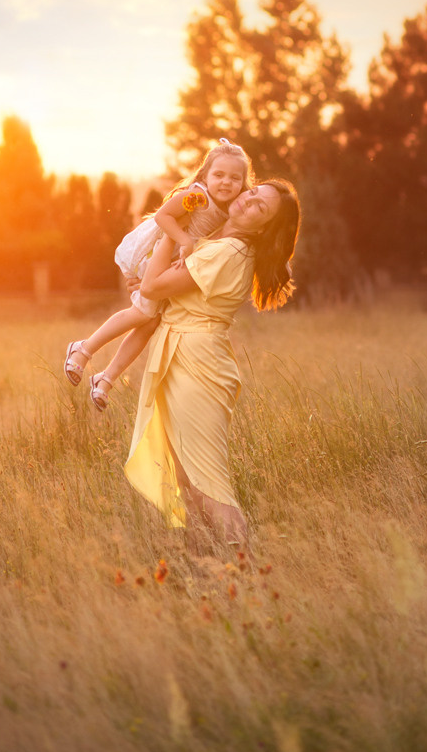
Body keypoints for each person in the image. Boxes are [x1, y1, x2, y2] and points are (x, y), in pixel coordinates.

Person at [123, 179, 300, 553]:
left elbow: (153, 288)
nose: (247, 201)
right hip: (183, 353)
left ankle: (246, 571)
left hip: (197, 364)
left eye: (260, 208)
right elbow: (161, 286)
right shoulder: (218, 243)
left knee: (208, 483)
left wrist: (173, 228)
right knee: (187, 480)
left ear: (264, 227)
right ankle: (208, 570)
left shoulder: (229, 252)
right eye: (253, 192)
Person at [63, 139, 252, 410]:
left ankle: (105, 379)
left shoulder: (231, 211)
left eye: (235, 178)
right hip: (161, 257)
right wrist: (184, 240)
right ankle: (83, 349)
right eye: (219, 175)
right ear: (205, 174)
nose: (225, 182)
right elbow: (163, 216)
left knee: (149, 323)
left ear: (244, 183)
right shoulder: (196, 196)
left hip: (176, 270)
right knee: (141, 314)